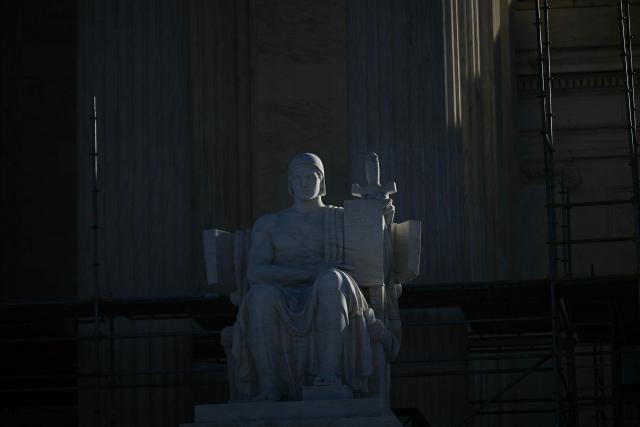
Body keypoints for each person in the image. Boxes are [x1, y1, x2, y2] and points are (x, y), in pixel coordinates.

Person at [231, 153, 397, 401]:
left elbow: (376, 257)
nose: (304, 182)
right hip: (284, 295)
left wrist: (379, 214)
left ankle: (329, 376)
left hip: (335, 293)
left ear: (323, 182)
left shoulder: (342, 218)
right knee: (259, 295)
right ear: (290, 184)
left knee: (331, 280)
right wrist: (311, 271)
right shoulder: (270, 224)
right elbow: (256, 272)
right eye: (297, 178)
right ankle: (269, 386)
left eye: (311, 176)